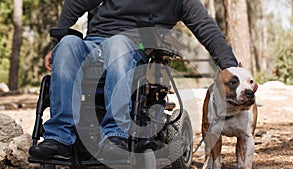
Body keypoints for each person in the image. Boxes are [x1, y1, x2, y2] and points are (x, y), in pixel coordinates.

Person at [29, 0, 238, 160]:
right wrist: (56, 43)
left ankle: (114, 134)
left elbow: (208, 30)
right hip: (95, 44)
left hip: (135, 49)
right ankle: (59, 138)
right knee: (67, 45)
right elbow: (76, 3)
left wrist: (233, 70)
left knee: (118, 43)